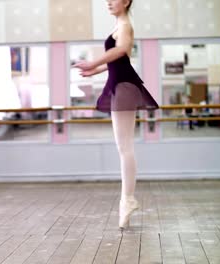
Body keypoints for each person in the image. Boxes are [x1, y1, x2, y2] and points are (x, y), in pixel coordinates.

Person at [73, 0, 159, 229]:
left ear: (127, 1)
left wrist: (93, 62)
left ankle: (128, 200)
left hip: (123, 86)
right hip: (119, 83)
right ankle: (127, 200)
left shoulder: (125, 26)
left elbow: (120, 50)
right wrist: (95, 70)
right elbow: (118, 61)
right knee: (124, 147)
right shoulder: (119, 26)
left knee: (125, 148)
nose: (108, 2)